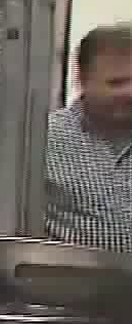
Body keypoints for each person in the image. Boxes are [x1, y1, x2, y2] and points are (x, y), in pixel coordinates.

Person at [47, 24, 132, 252]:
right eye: (117, 83)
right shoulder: (44, 139)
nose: (129, 92)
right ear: (82, 80)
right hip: (70, 284)